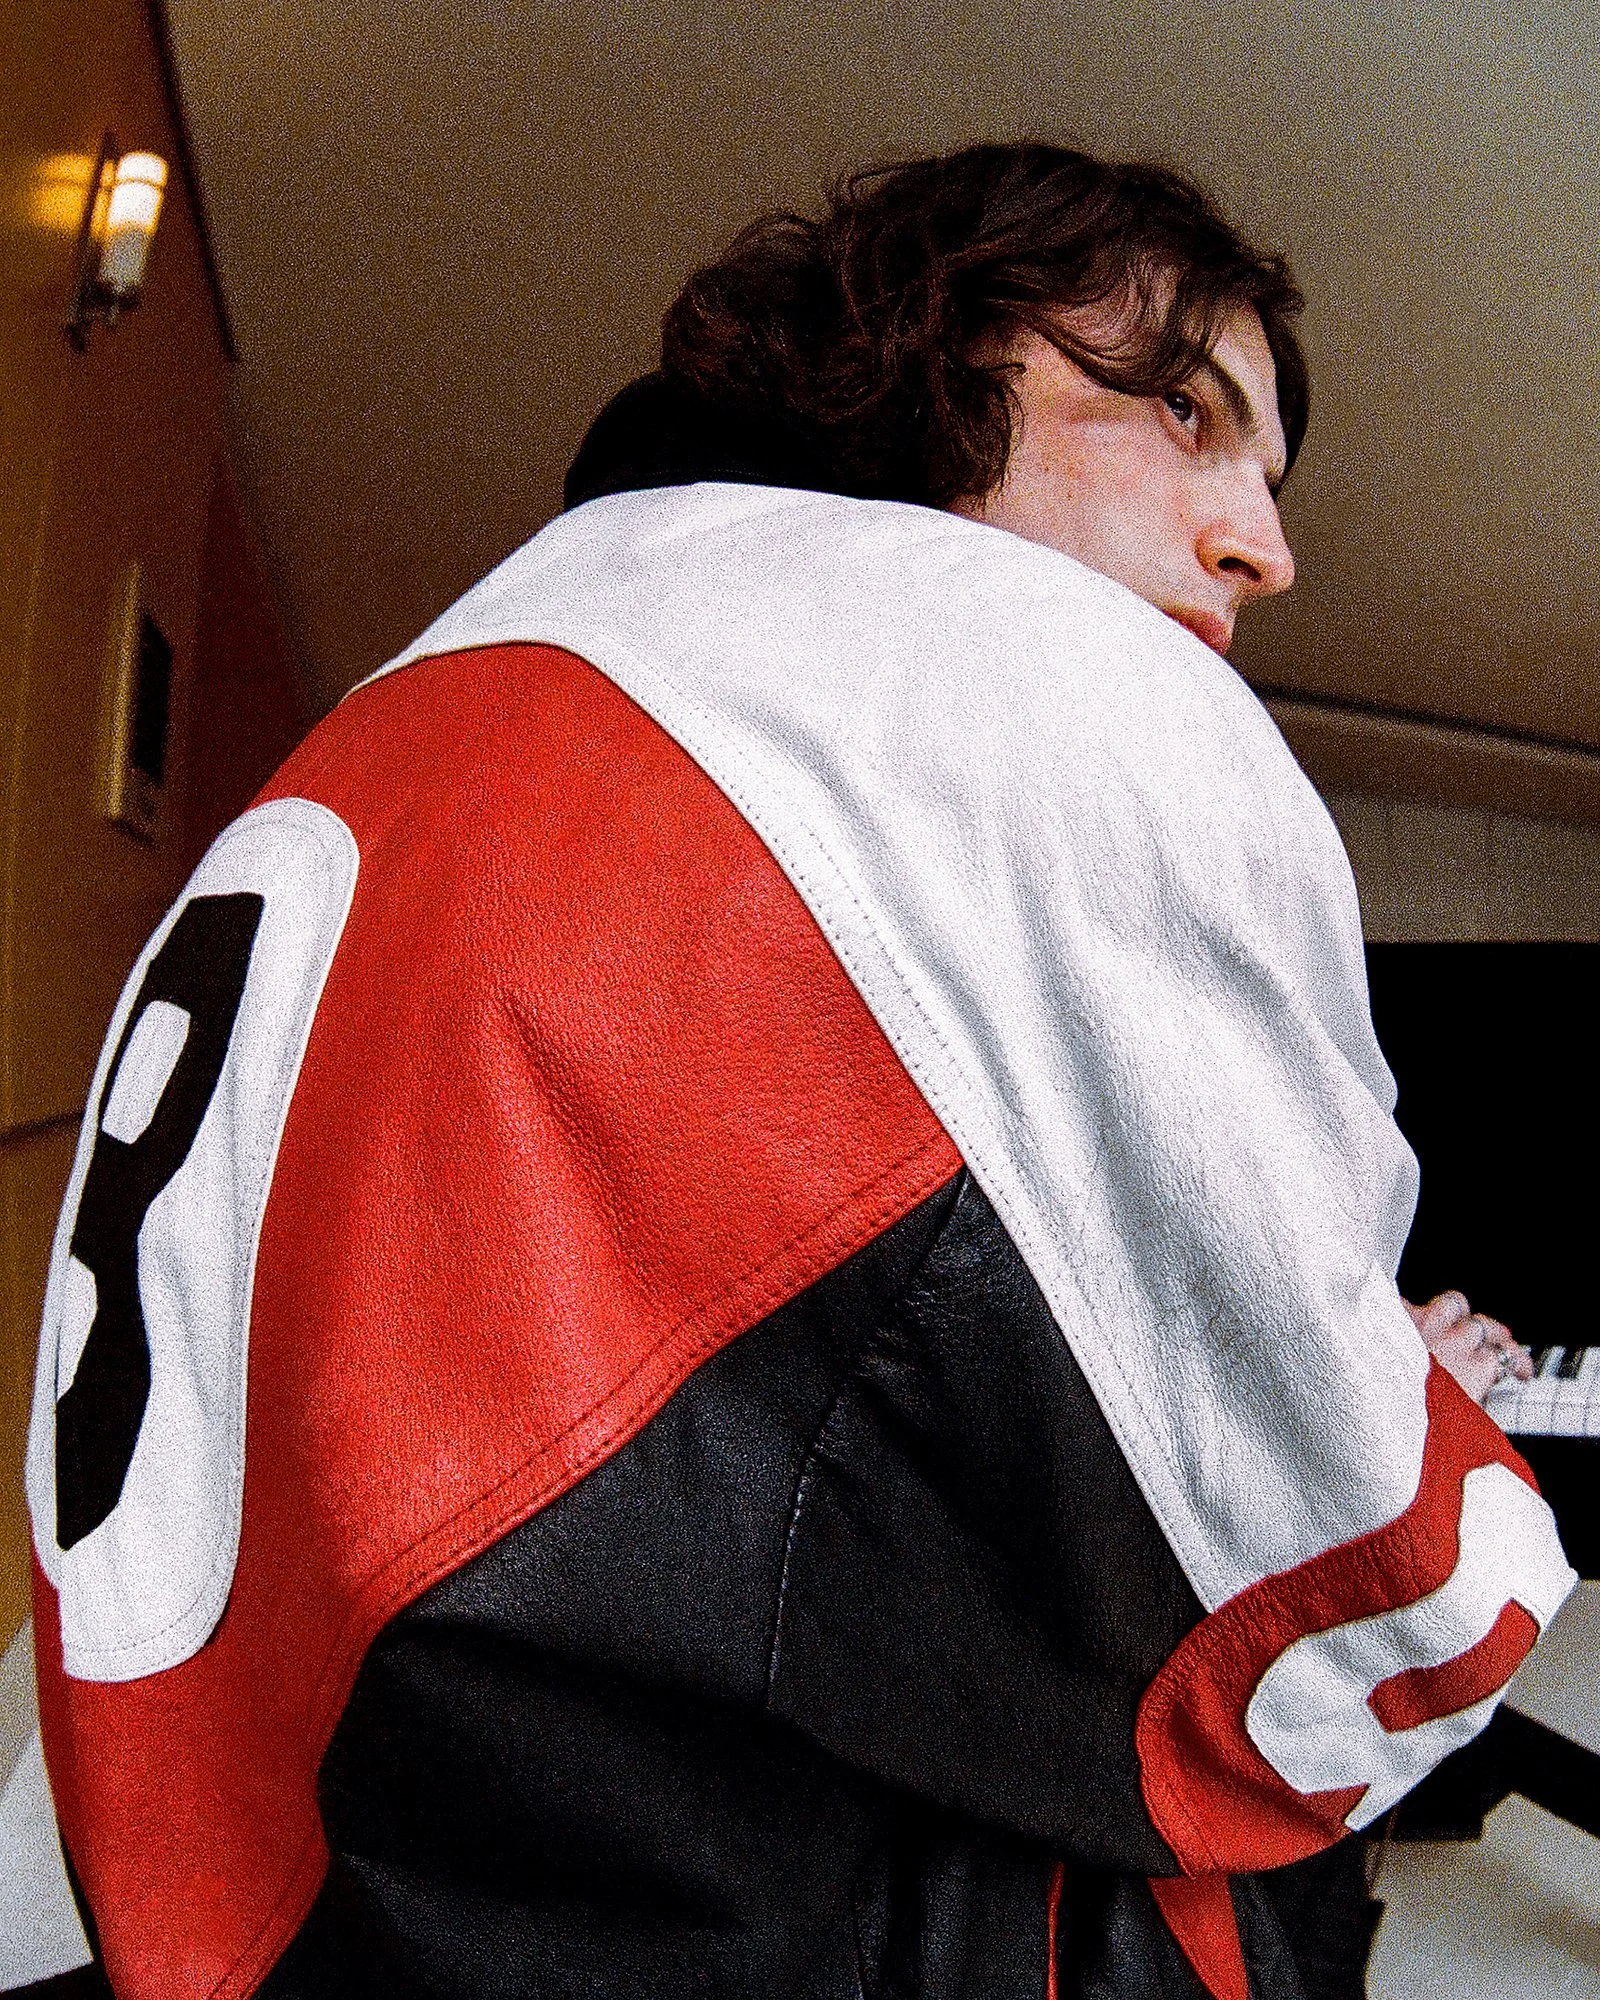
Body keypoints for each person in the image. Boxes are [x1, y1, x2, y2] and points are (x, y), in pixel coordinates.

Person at [15, 144, 1567, 2000]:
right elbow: (1364, 1639)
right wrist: (1406, 1393)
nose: (1266, 545)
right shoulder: (1033, 687)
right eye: (1180, 409)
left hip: (284, 1910)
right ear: (928, 354)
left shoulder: (407, 706)